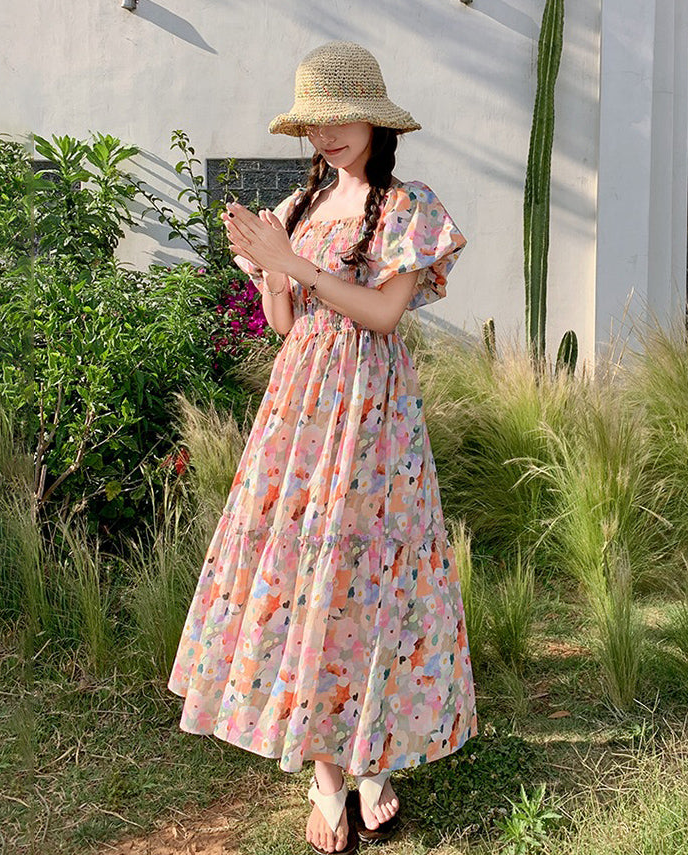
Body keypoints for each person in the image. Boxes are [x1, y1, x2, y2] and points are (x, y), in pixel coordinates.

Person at [167, 41, 479, 855]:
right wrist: (272, 272)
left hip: (373, 414)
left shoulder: (408, 205)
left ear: (375, 119)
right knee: (307, 577)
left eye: (339, 118)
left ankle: (373, 756)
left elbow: (381, 315)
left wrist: (290, 261)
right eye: (312, 123)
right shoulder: (299, 206)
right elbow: (284, 325)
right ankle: (327, 774)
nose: (325, 135)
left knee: (370, 576)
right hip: (300, 412)